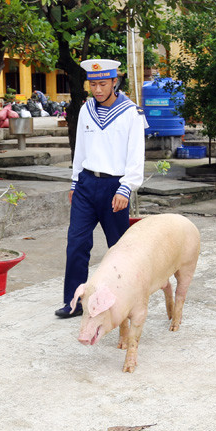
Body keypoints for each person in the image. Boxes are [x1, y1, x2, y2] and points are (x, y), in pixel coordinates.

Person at [56, 58, 146, 318]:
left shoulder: (131, 113)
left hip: (114, 187)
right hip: (86, 183)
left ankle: (124, 301)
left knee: (118, 249)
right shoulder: (86, 109)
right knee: (76, 244)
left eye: (102, 84)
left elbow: (136, 156)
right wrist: (75, 182)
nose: (97, 89)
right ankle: (74, 302)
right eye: (93, 84)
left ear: (114, 82)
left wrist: (126, 188)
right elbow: (80, 148)